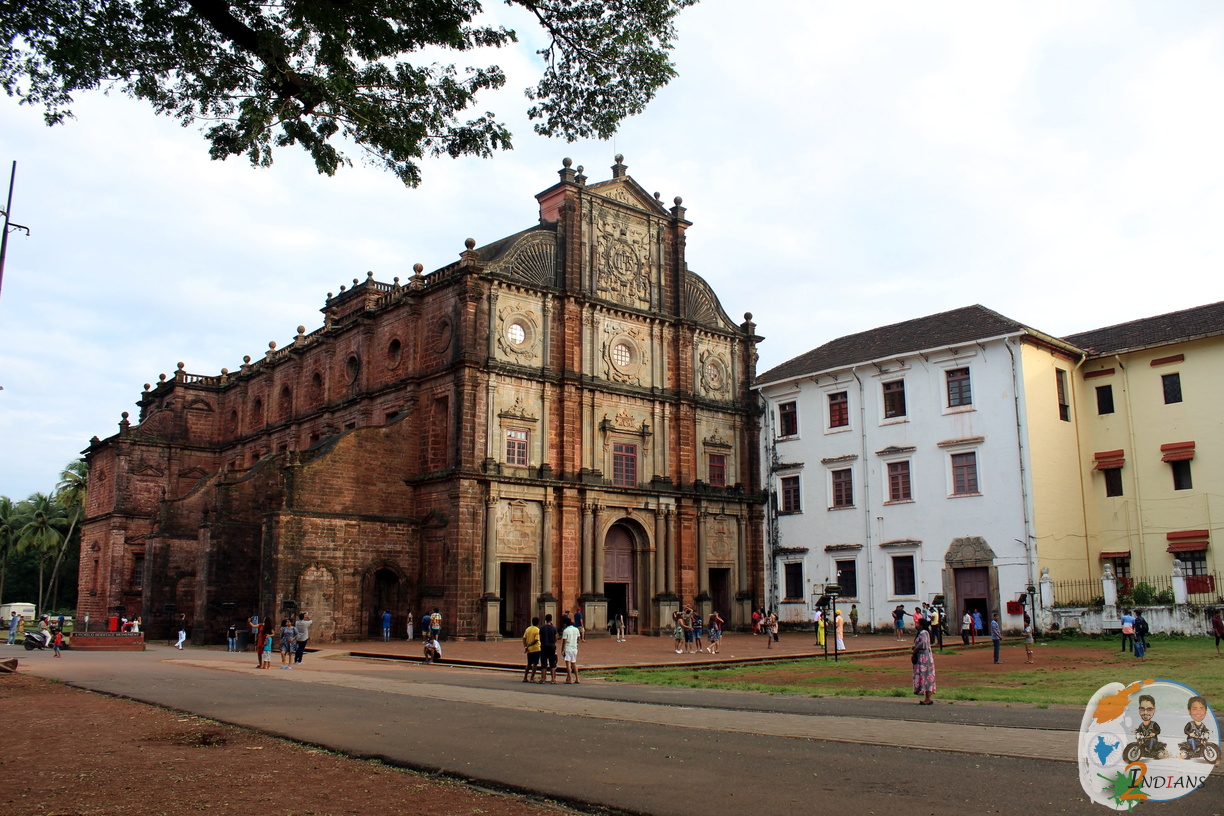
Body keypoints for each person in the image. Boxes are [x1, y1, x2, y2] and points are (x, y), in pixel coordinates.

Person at [912, 619, 936, 705]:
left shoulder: (924, 633)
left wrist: (915, 650)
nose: (916, 624)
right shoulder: (923, 633)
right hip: (923, 656)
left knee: (925, 675)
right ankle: (927, 697)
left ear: (921, 625)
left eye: (918, 623)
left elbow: (923, 644)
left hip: (924, 657)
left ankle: (928, 698)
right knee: (925, 675)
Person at [539, 614, 559, 683]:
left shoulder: (542, 628)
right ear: (551, 619)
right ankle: (553, 679)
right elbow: (556, 637)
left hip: (544, 645)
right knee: (552, 662)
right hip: (551, 646)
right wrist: (553, 642)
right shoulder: (553, 628)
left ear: (545, 619)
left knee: (543, 663)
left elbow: (540, 638)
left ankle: (543, 678)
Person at [561, 616, 580, 684]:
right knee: (574, 663)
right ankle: (577, 678)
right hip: (574, 648)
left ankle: (570, 678)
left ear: (565, 624)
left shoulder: (566, 631)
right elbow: (578, 639)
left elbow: (564, 641)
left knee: (568, 664)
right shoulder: (576, 629)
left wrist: (562, 650)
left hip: (568, 648)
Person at [522, 616, 541, 683]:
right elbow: (536, 639)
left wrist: (525, 646)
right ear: (538, 623)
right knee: (535, 664)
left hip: (529, 649)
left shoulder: (528, 629)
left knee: (529, 664)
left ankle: (525, 677)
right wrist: (529, 645)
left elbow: (524, 638)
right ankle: (532, 678)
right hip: (536, 648)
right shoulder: (537, 630)